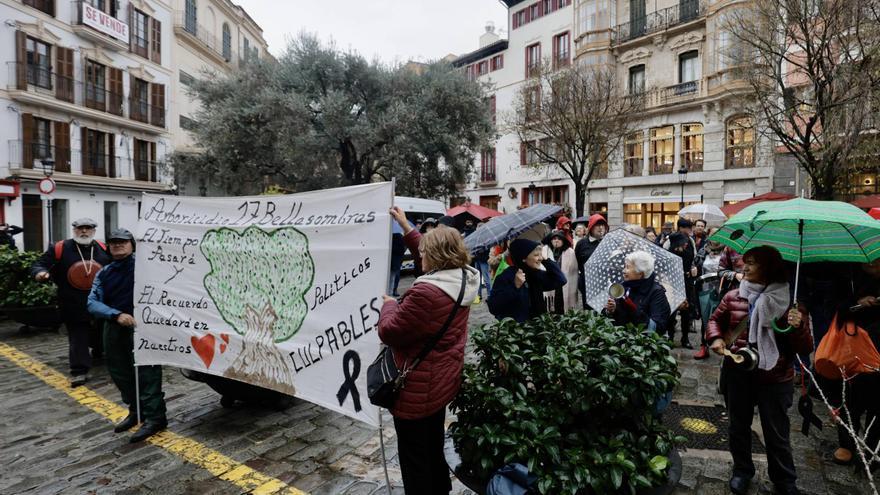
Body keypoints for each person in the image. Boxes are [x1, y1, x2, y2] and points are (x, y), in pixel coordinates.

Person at [380, 207, 479, 494]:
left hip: (416, 390)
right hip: (440, 382)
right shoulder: (462, 277)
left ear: (435, 257)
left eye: (424, 252)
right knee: (433, 446)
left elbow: (389, 331)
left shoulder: (425, 293)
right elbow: (428, 252)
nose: (419, 256)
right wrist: (405, 225)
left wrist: (389, 304)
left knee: (414, 461)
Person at [707, 246, 812, 495]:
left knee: (776, 432)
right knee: (738, 426)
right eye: (746, 262)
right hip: (738, 372)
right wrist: (715, 339)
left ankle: (784, 479)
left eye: (753, 263)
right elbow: (715, 320)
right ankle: (742, 471)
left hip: (775, 376)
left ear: (769, 268)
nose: (746, 266)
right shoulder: (734, 296)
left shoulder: (789, 303)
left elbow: (804, 347)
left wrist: (798, 326)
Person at [87, 229, 168, 442]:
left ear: (132, 244)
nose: (118, 245)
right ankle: (136, 411)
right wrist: (115, 315)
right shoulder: (103, 273)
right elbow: (92, 302)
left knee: (147, 373)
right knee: (120, 372)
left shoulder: (146, 268)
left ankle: (155, 417)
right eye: (113, 242)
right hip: (114, 327)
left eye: (123, 242)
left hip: (143, 326)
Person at [31, 218, 111, 386]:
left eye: (88, 228)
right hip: (72, 301)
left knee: (102, 329)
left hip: (101, 300)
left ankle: (98, 351)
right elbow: (40, 264)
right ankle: (79, 370)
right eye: (80, 228)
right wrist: (40, 273)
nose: (84, 231)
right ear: (74, 230)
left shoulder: (103, 249)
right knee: (78, 335)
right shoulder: (61, 248)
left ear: (93, 231)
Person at [827, 258, 880, 468]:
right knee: (850, 396)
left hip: (878, 347)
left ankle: (871, 446)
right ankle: (847, 444)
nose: (874, 267)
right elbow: (834, 306)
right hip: (854, 342)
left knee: (878, 401)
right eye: (872, 264)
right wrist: (859, 303)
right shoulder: (846, 272)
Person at [488, 238, 566, 323]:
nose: (540, 258)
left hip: (538, 328)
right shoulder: (505, 276)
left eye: (541, 255)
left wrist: (546, 260)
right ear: (523, 258)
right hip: (517, 331)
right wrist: (515, 286)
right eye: (536, 255)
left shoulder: (535, 274)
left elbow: (560, 280)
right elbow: (494, 307)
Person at [603, 251, 671, 333]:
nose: (623, 271)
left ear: (640, 274)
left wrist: (634, 311)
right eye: (624, 267)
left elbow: (658, 328)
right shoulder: (624, 287)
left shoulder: (656, 292)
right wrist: (612, 310)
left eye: (628, 267)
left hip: (642, 343)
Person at [693, 228, 725, 360]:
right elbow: (696, 265)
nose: (715, 237)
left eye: (718, 233)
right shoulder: (703, 250)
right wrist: (694, 268)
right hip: (705, 289)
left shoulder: (727, 250)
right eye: (712, 234)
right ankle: (704, 346)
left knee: (721, 318)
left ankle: (722, 345)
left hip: (722, 289)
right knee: (706, 317)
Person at [667, 231, 697, 348]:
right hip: (673, 284)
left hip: (687, 283)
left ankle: (685, 338)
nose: (686, 244)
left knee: (686, 311)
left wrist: (694, 269)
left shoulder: (688, 250)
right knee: (672, 311)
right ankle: (670, 336)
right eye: (684, 243)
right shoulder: (669, 254)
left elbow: (693, 263)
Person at [575, 214, 608, 308]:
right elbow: (577, 262)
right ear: (591, 227)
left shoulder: (607, 242)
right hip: (587, 283)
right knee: (590, 312)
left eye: (603, 225)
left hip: (604, 284)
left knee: (604, 311)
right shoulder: (581, 244)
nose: (601, 228)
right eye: (598, 225)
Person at [542, 230, 579, 314]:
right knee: (551, 308)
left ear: (563, 241)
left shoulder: (570, 252)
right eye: (554, 238)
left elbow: (573, 272)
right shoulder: (545, 251)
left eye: (559, 239)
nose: (556, 240)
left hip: (564, 284)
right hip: (550, 284)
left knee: (561, 307)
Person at [389, 232, 406, 297]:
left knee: (394, 275)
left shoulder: (396, 235)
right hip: (396, 258)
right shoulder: (400, 234)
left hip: (395, 257)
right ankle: (393, 291)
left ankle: (393, 291)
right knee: (394, 275)